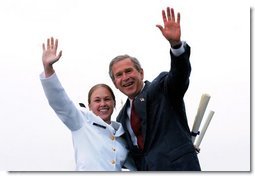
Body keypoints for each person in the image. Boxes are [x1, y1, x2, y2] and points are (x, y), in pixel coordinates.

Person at [108, 7, 201, 171]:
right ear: (115, 83)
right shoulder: (121, 119)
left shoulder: (162, 88)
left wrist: (176, 45)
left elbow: (180, 74)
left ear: (141, 73)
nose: (125, 78)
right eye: (119, 75)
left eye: (129, 71)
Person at [40, 37, 136, 171]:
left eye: (107, 99)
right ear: (89, 106)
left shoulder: (122, 136)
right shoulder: (82, 122)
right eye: (97, 100)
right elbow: (59, 101)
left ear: (114, 104)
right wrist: (48, 68)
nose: (103, 104)